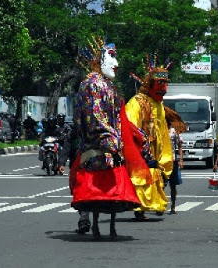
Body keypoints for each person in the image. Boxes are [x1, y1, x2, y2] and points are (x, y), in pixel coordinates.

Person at [71, 38, 145, 234]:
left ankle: (110, 226)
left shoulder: (109, 87)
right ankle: (92, 223)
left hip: (113, 147)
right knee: (95, 193)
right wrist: (110, 138)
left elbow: (119, 118)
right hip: (99, 148)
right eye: (112, 57)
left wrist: (133, 136)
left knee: (114, 194)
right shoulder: (92, 84)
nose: (117, 64)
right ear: (99, 59)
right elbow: (94, 118)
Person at [126, 55, 176, 221]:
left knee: (157, 177)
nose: (165, 88)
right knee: (141, 178)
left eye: (166, 84)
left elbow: (163, 131)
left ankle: (156, 204)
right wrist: (142, 147)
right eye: (161, 84)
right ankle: (139, 209)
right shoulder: (136, 102)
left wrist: (165, 156)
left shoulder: (158, 104)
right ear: (150, 84)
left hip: (156, 151)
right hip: (142, 150)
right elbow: (131, 127)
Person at [166, 120, 184, 214]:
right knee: (160, 185)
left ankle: (173, 205)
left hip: (173, 160)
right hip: (162, 161)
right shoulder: (159, 130)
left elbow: (180, 146)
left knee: (173, 185)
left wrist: (181, 160)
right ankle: (161, 205)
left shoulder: (174, 132)